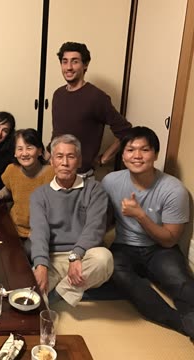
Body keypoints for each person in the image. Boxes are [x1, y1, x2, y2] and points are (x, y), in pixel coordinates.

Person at [102, 126, 194, 338]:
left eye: (144, 150)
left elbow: (170, 240)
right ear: (123, 155)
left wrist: (140, 215)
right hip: (124, 246)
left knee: (181, 284)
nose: (137, 156)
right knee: (117, 274)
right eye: (130, 150)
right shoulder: (111, 181)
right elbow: (105, 220)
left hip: (160, 248)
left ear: (155, 154)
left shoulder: (173, 190)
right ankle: (182, 324)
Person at [29, 134, 113, 307]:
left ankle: (58, 294)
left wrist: (76, 255)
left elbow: (95, 228)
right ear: (51, 161)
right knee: (31, 297)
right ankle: (64, 290)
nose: (65, 163)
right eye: (59, 157)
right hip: (52, 258)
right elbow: (39, 232)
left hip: (84, 257)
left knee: (104, 259)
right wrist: (41, 265)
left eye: (71, 156)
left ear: (79, 161)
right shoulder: (40, 194)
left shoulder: (94, 189)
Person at [51, 42, 132, 175]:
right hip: (56, 170)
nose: (69, 67)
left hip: (81, 175)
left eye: (75, 61)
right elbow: (57, 131)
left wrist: (103, 158)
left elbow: (125, 131)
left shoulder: (96, 97)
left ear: (85, 65)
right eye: (65, 62)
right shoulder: (58, 94)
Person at [0, 128, 54, 238]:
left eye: (29, 148)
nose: (24, 153)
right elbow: (9, 189)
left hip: (40, 231)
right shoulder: (12, 170)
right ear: (14, 153)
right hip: (14, 227)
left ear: (40, 151)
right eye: (19, 149)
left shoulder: (51, 173)